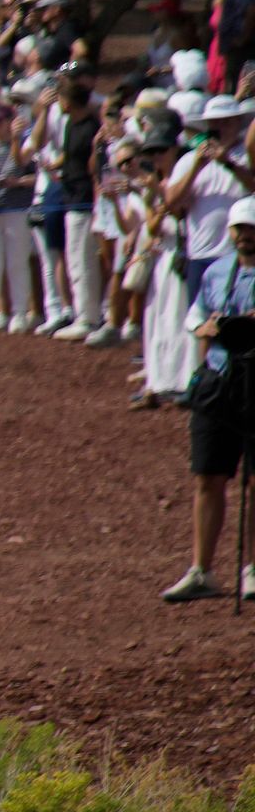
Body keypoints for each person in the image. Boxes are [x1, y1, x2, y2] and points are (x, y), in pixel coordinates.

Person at [169, 204, 255, 602]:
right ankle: (201, 568)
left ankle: (251, 567)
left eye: (250, 228)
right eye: (239, 227)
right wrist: (209, 328)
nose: (244, 235)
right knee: (207, 475)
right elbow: (195, 318)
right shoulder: (217, 271)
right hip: (219, 381)